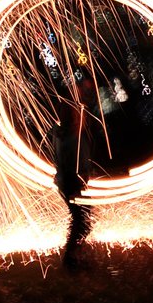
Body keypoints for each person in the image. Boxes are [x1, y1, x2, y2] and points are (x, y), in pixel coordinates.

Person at [50, 76, 95, 271]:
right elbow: (70, 158)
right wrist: (77, 177)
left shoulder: (67, 133)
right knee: (82, 220)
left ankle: (74, 257)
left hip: (70, 179)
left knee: (82, 219)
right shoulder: (69, 135)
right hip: (70, 180)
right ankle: (70, 260)